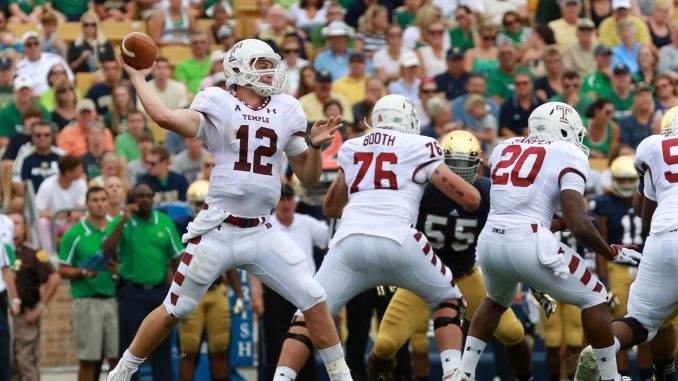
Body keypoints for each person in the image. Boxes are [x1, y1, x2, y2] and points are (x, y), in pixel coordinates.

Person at [106, 38, 351, 381]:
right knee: (175, 309)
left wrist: (312, 146)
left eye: (270, 64)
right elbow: (163, 117)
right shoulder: (217, 102)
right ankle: (121, 372)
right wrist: (136, 77)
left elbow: (308, 178)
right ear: (237, 70)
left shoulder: (286, 108)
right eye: (261, 64)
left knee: (313, 297)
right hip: (218, 230)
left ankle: (342, 376)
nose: (270, 71)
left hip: (261, 230)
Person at [276, 94, 481, 380]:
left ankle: (282, 377)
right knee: (448, 301)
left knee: (306, 317)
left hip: (348, 244)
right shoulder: (422, 145)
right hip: (399, 241)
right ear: (409, 120)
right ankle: (452, 373)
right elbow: (471, 199)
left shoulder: (352, 146)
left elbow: (331, 208)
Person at [449, 101, 642, 381]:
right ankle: (610, 377)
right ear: (564, 130)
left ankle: (463, 373)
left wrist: (558, 224)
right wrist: (610, 251)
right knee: (595, 297)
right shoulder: (567, 153)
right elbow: (579, 223)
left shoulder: (504, 147)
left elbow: (514, 210)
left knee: (495, 300)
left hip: (491, 241)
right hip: (530, 243)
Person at [367, 130, 533, 381]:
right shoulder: (423, 189)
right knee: (385, 346)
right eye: (452, 164)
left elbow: (514, 223)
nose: (458, 172)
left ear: (478, 164)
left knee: (513, 332)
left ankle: (526, 378)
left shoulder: (487, 192)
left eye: (465, 165)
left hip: (465, 276)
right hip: (420, 277)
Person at [574, 106, 678, 381]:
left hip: (664, 235)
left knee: (643, 321)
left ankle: (605, 349)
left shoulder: (653, 146)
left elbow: (645, 214)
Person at [102, 183, 183, 381]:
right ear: (132, 199)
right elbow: (107, 251)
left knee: (162, 352)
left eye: (149, 196)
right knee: (131, 350)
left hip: (159, 292)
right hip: (132, 294)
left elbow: (177, 259)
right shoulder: (122, 222)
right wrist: (123, 219)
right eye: (140, 196)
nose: (145, 200)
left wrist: (179, 292)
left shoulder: (164, 222)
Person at [251, 184, 327, 380]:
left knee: (304, 344)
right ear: (275, 203)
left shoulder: (307, 223)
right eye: (282, 200)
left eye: (288, 199)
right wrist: (256, 294)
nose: (286, 204)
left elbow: (331, 241)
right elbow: (252, 261)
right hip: (275, 294)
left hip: (304, 294)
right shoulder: (266, 226)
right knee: (275, 346)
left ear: (294, 201)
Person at [590, 155, 653, 380]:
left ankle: (646, 375)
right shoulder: (604, 203)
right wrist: (604, 283)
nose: (626, 185)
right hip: (618, 268)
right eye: (621, 180)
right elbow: (602, 245)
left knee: (646, 324)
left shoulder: (649, 197)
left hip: (647, 266)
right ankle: (622, 375)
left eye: (629, 180)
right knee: (619, 323)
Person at [177, 180, 244, 381]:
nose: (202, 209)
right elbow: (173, 262)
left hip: (216, 291)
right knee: (188, 349)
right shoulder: (182, 225)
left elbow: (229, 263)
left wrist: (239, 294)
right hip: (190, 292)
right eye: (198, 204)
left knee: (220, 348)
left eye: (205, 203)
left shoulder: (221, 224)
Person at [9, 212, 60, 381]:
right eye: (9, 223)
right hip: (4, 315)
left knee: (26, 362)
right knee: (9, 364)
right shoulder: (3, 251)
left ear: (24, 228)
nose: (12, 227)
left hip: (24, 316)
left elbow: (54, 278)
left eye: (17, 223)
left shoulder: (33, 252)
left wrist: (40, 308)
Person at [15, 32, 74, 96]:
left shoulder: (55, 59)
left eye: (36, 43)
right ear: (24, 48)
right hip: (33, 100)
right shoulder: (20, 67)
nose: (33, 46)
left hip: (58, 95)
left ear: (40, 45)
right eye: (29, 44)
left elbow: (71, 79)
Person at [15, 120, 63, 195]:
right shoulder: (25, 157)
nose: (42, 138)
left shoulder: (62, 156)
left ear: (52, 136)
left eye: (46, 135)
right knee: (17, 203)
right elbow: (19, 183)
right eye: (38, 135)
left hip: (59, 198)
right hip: (34, 198)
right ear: (32, 137)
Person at [499, 72, 542, 137]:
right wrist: (520, 141)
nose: (521, 86)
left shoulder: (540, 104)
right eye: (518, 84)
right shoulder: (507, 105)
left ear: (532, 85)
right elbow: (504, 129)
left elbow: (546, 126)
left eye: (525, 83)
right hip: (515, 142)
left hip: (538, 140)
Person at [174, 31, 211, 96]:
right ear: (190, 45)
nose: (198, 45)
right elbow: (182, 86)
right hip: (191, 100)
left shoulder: (214, 62)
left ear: (207, 45)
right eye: (195, 43)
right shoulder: (182, 65)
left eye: (202, 42)